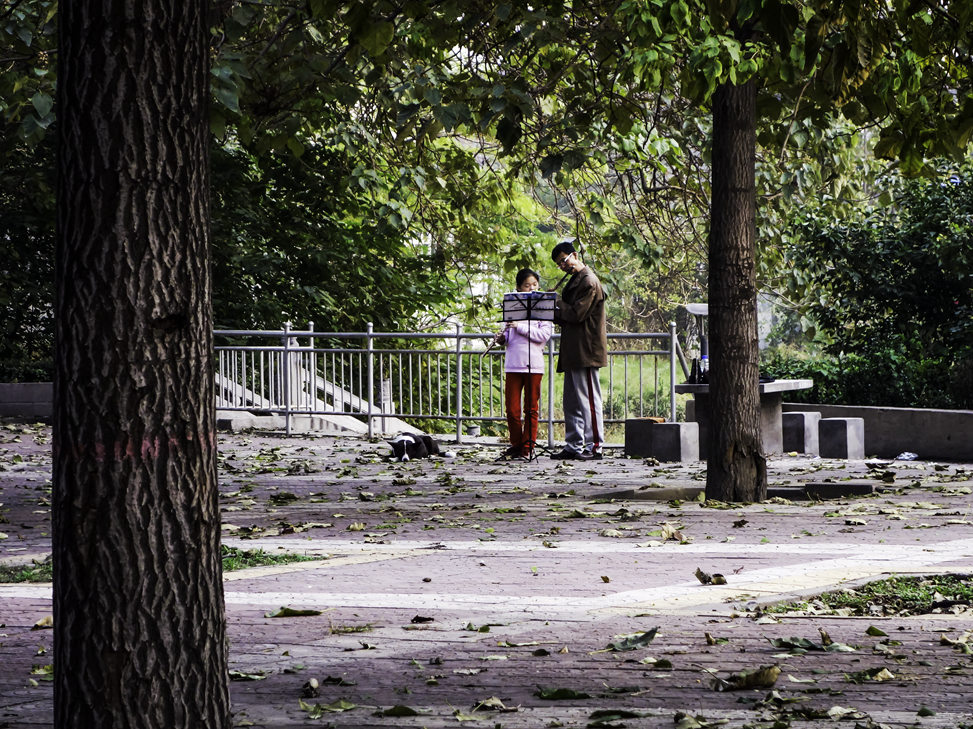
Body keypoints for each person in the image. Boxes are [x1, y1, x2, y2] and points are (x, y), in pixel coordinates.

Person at [550, 239, 607, 460]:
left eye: (564, 261)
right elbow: (566, 316)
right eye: (559, 264)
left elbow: (576, 314)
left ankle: (595, 446)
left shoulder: (589, 281)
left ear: (575, 255)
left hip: (587, 351)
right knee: (572, 401)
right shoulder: (576, 280)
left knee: (589, 401)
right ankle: (574, 445)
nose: (563, 266)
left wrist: (554, 303)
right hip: (573, 350)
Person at [495, 268, 554, 459]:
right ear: (519, 288)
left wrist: (520, 326)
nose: (531, 289)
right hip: (513, 364)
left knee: (531, 409)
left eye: (534, 285)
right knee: (512, 410)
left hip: (534, 364)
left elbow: (544, 335)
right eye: (527, 285)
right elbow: (507, 338)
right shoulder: (513, 308)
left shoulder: (543, 309)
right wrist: (501, 338)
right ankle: (517, 445)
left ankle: (527, 448)